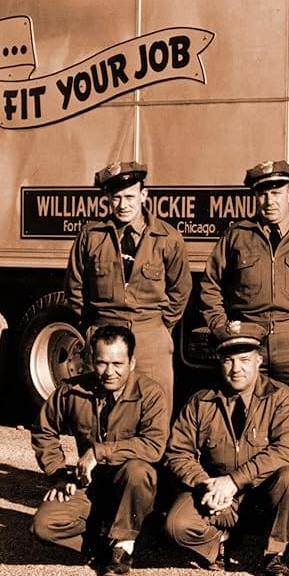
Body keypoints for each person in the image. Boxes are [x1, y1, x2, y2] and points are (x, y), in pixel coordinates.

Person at [199, 160, 289, 439]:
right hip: (249, 336)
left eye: (276, 193)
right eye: (263, 194)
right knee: (246, 414)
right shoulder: (237, 236)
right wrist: (223, 330)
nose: (269, 201)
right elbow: (210, 286)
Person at [164, 323, 289, 576]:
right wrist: (206, 484)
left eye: (244, 360)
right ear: (220, 362)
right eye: (228, 361)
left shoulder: (281, 398)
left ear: (259, 361)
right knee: (177, 525)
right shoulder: (201, 401)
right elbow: (178, 451)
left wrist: (234, 481)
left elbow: (288, 450)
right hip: (218, 496)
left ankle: (274, 553)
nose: (236, 369)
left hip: (263, 496)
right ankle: (220, 539)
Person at [30, 325, 169, 576]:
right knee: (44, 526)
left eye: (118, 364)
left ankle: (123, 547)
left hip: (129, 488)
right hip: (89, 484)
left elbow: (154, 445)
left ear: (132, 362)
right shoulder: (72, 391)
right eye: (102, 363)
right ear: (92, 361)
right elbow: (44, 430)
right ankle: (100, 545)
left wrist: (99, 452)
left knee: (139, 471)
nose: (109, 372)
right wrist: (58, 475)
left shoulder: (150, 394)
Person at [65, 161, 191, 405]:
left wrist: (160, 328)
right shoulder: (91, 237)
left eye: (130, 197)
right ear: (108, 199)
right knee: (99, 409)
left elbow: (180, 289)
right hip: (104, 334)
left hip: (150, 338)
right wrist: (92, 330)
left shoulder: (167, 238)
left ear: (144, 195)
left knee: (154, 407)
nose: (123, 205)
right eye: (116, 198)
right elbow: (74, 287)